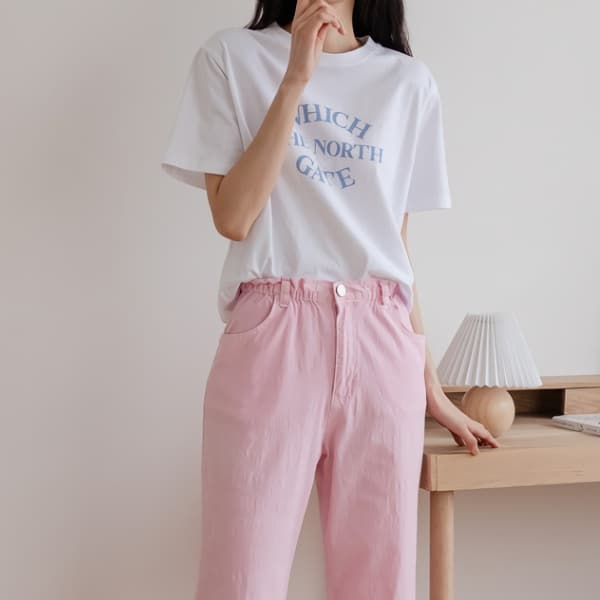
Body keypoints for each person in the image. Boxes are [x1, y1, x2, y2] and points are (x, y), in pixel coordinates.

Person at [161, 1, 500, 598]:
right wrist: (296, 77)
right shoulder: (232, 59)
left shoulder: (407, 82)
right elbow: (234, 217)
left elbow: (392, 247)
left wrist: (429, 384)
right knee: (241, 581)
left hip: (382, 341)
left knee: (379, 584)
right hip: (273, 336)